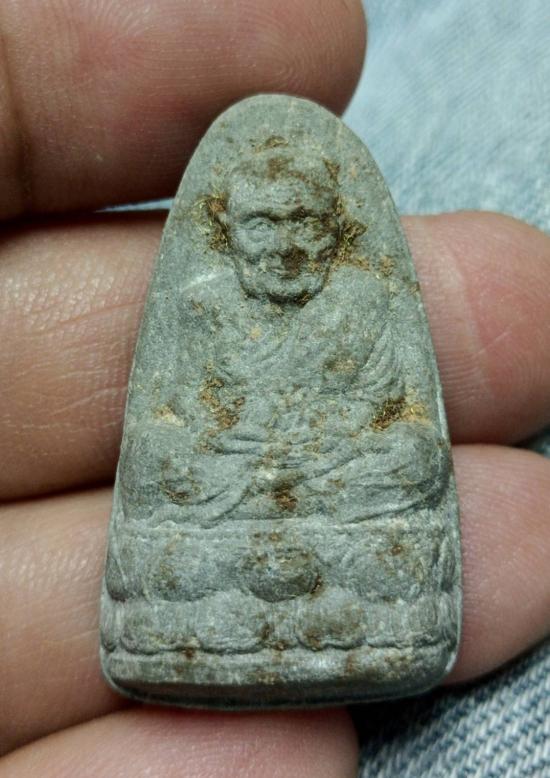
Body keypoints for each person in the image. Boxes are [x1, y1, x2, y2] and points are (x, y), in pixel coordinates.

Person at [1, 1, 549, 774]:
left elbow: (397, 426)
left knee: (416, 462)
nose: (285, 247)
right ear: (231, 234)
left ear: (332, 230)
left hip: (335, 481)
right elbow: (169, 430)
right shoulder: (200, 305)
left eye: (304, 224)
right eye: (263, 224)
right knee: (156, 469)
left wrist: (324, 453)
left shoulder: (364, 302)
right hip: (229, 493)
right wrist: (234, 453)